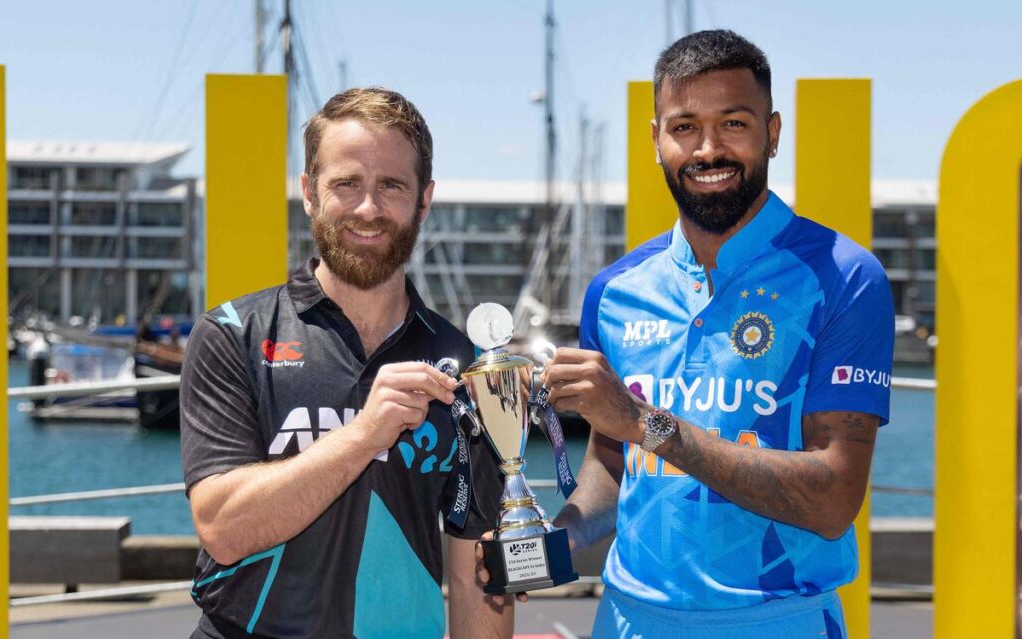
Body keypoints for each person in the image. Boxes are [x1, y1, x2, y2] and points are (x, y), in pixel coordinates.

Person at [484, 30, 894, 638]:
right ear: (656, 140)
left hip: (777, 621)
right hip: (628, 619)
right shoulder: (615, 290)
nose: (707, 149)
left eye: (733, 124)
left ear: (773, 133)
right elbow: (614, 459)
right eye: (684, 127)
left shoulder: (843, 277)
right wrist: (555, 538)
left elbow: (834, 500)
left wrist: (650, 425)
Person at [181, 87, 512, 639]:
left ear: (424, 200)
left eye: (391, 186)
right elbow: (222, 528)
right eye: (347, 184)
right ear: (310, 193)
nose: (368, 208)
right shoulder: (232, 334)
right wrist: (365, 434)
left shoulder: (467, 364)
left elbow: (478, 568)